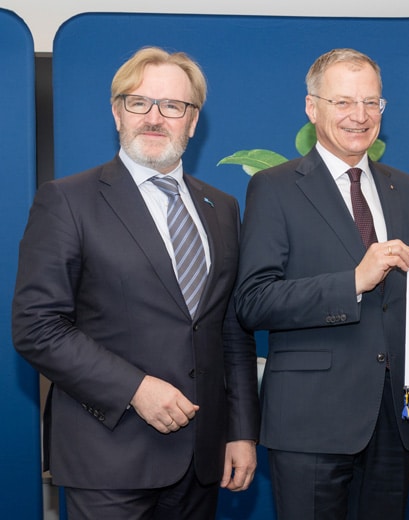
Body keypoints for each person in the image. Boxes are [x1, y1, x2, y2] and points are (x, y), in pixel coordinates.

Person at [11, 47, 260, 519]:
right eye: (139, 102)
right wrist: (135, 388)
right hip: (108, 457)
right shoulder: (67, 201)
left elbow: (231, 330)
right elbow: (37, 326)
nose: (154, 117)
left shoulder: (222, 208)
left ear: (193, 121)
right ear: (117, 112)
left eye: (173, 106)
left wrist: (241, 430)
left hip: (202, 461)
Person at [234, 48, 409, 519]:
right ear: (312, 107)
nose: (359, 116)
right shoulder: (274, 187)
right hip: (311, 423)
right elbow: (253, 301)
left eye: (371, 102)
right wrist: (354, 282)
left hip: (394, 419)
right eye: (343, 102)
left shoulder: (405, 188)